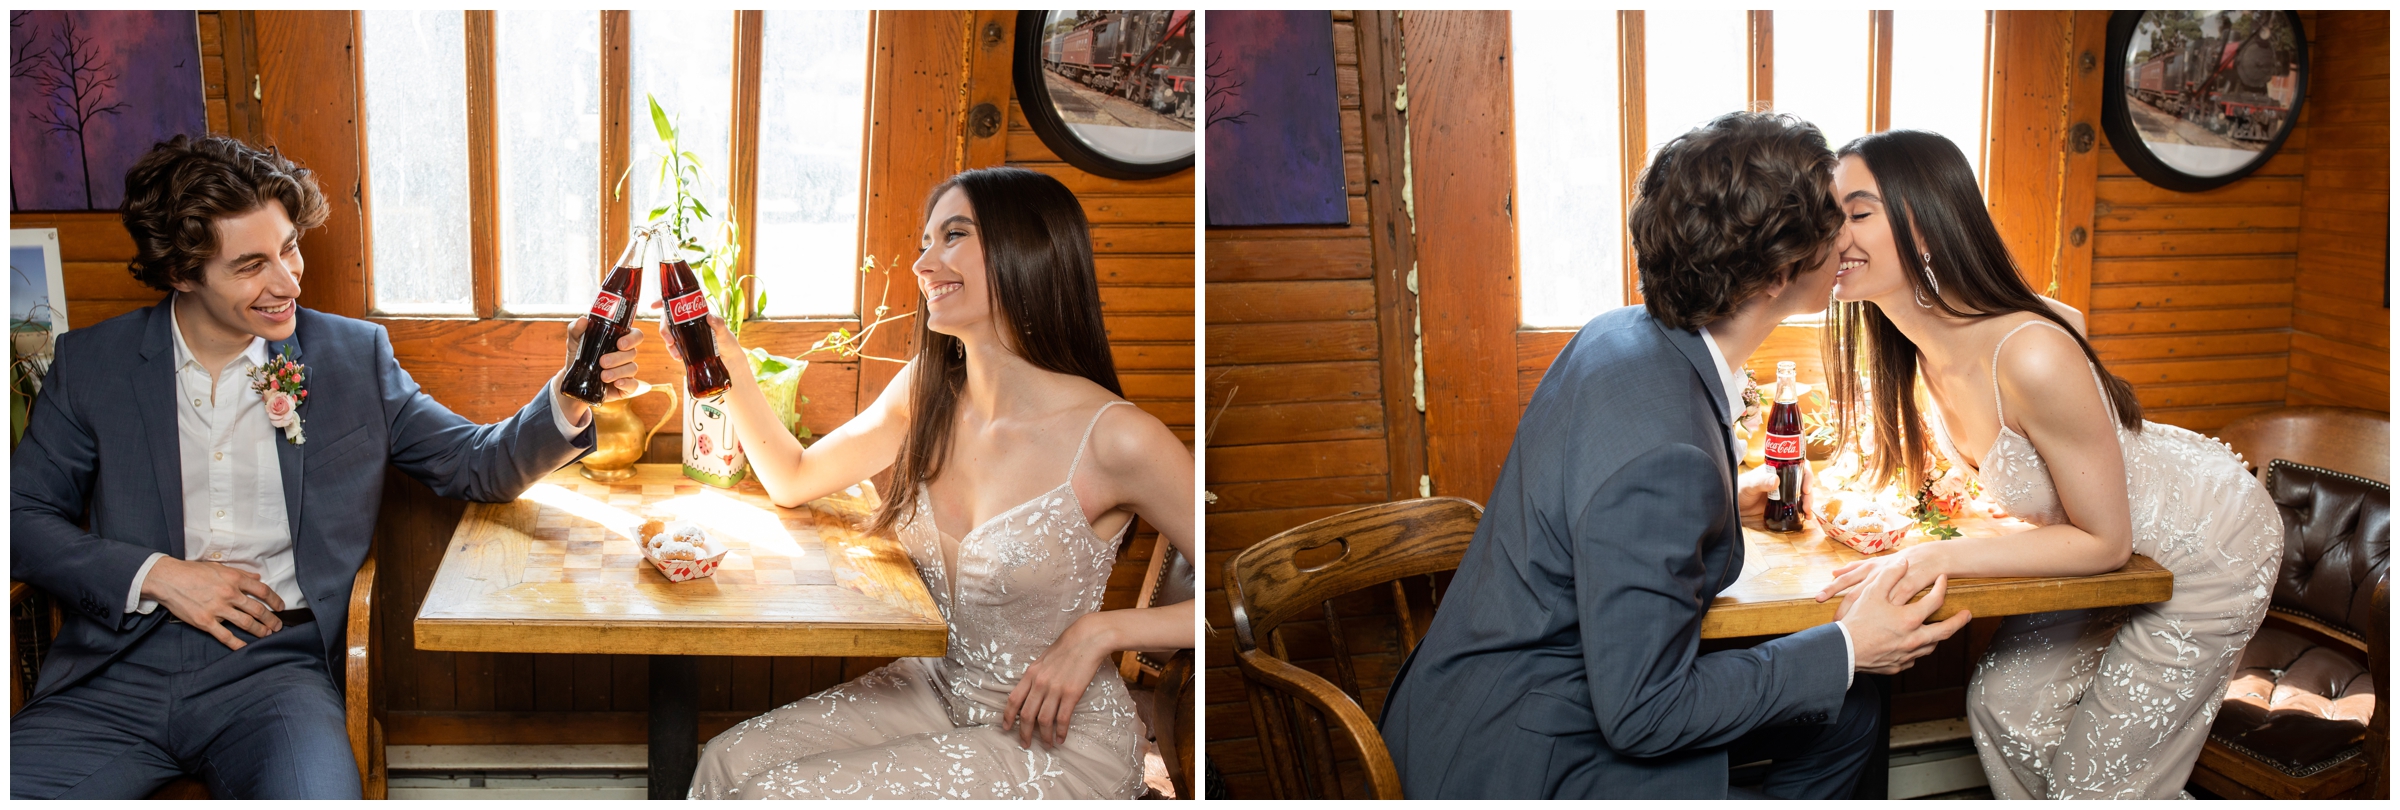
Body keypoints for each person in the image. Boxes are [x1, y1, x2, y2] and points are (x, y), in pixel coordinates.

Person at [9, 134, 643, 799]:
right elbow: (20, 520)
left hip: (272, 674)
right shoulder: (93, 365)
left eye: (289, 248)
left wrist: (573, 391)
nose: (286, 282)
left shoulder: (352, 357)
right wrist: (161, 576)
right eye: (251, 264)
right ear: (182, 272)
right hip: (113, 672)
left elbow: (475, 464)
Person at [1377, 112, 1971, 799]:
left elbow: (1607, 511)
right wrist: (1847, 645)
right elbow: (1642, 713)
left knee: (1848, 708)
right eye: (1832, 220)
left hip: (1467, 703)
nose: (1847, 237)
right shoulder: (1666, 455)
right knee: (1848, 679)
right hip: (1523, 759)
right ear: (1779, 272)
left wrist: (1721, 502)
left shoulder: (1618, 336)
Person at [679, 166, 1196, 799]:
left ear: (1027, 250)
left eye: (953, 235)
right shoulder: (927, 389)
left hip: (1058, 736)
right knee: (723, 765)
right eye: (925, 242)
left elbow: (1232, 593)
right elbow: (794, 478)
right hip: (938, 687)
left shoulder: (1116, 438)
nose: (923, 264)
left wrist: (1102, 632)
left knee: (774, 797)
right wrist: (724, 361)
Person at [1811, 128, 2279, 799]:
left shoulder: (2028, 353)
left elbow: (2106, 541)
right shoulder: (1919, 351)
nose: (1835, 236)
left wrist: (1931, 558)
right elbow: (2066, 318)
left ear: (1928, 224)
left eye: (1858, 214)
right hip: (2105, 549)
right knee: (2005, 711)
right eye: (1830, 217)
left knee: (2096, 783)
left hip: (2208, 543)